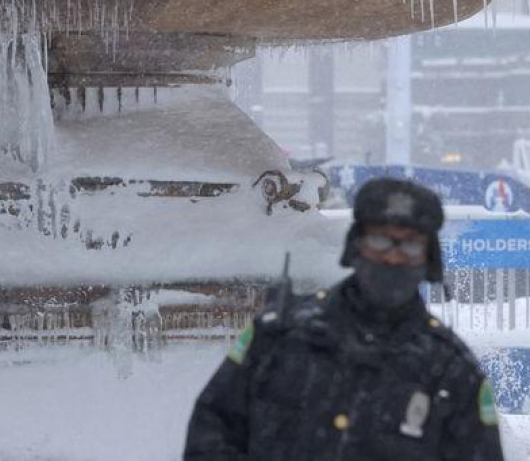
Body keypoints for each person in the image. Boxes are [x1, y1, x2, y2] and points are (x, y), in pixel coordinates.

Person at [184, 178, 503, 461]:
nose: (393, 257)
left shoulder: (450, 371)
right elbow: (210, 436)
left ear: (429, 258)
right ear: (355, 245)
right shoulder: (279, 338)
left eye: (409, 244)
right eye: (380, 240)